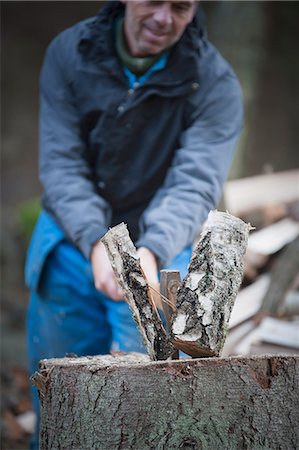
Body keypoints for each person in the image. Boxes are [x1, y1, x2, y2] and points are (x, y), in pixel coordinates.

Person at [25, 0, 242, 447]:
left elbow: (195, 183)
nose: (164, 19)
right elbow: (62, 164)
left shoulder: (215, 82)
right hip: (72, 238)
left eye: (180, 7)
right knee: (59, 395)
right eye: (153, 2)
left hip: (161, 244)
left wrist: (151, 249)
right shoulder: (70, 53)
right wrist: (94, 241)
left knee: (143, 403)